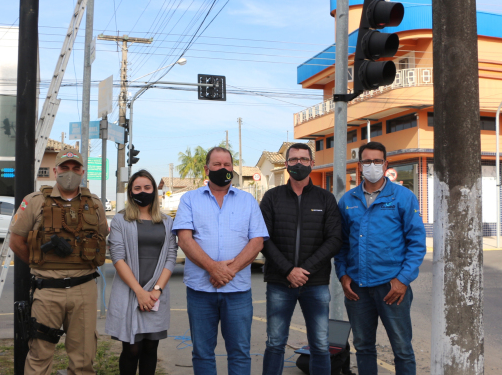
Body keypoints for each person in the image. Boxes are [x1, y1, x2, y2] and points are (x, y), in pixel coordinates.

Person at [9, 149, 109, 375]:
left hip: (84, 289)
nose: (70, 173)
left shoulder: (94, 203)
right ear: (55, 171)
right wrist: (39, 263)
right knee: (39, 356)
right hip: (48, 291)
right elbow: (16, 242)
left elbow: (102, 236)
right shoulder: (34, 201)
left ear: (83, 172)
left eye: (76, 168)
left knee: (84, 359)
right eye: (65, 168)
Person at [172, 147, 269, 375]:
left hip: (237, 291)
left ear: (232, 169)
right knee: (202, 352)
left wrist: (229, 270)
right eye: (217, 165)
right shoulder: (189, 199)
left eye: (227, 165)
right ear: (207, 169)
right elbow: (185, 240)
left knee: (239, 352)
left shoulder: (247, 201)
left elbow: (257, 242)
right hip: (200, 291)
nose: (222, 169)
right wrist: (213, 268)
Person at [335, 141, 426, 375]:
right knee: (363, 347)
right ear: (359, 166)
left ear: (386, 164)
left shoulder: (403, 197)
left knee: (402, 349)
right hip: (357, 288)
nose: (372, 165)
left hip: (392, 287)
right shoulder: (347, 201)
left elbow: (416, 243)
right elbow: (342, 244)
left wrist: (403, 280)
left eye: (377, 161)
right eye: (367, 161)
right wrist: (343, 276)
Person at [259, 142, 342, 375]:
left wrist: (304, 270)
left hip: (314, 283)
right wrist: (288, 270)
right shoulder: (271, 197)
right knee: (275, 343)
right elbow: (263, 238)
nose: (298, 163)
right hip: (279, 282)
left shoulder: (326, 199)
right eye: (293, 159)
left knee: (320, 345)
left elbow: (335, 239)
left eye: (303, 159)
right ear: (286, 165)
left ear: (312, 164)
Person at [105, 170, 178, 375]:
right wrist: (139, 291)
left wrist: (156, 290)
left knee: (150, 347)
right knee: (131, 348)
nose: (143, 192)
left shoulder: (167, 222)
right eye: (137, 188)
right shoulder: (120, 220)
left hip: (156, 294)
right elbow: (117, 258)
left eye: (147, 187)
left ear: (155, 191)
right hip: (130, 292)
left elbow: (171, 257)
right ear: (130, 192)